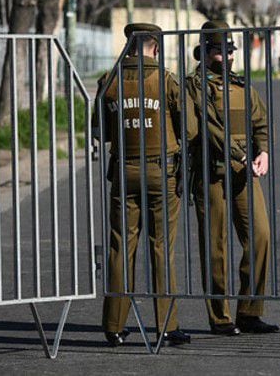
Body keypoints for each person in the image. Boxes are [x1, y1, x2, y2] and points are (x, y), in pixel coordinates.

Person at [95, 22, 225, 348]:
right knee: (161, 247)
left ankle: (114, 325)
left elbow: (101, 131)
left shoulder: (108, 81)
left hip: (123, 172)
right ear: (155, 46)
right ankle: (166, 326)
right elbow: (191, 130)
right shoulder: (165, 81)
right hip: (161, 173)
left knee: (120, 246)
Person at [186, 20, 279, 336]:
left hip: (243, 175)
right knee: (216, 246)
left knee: (261, 235)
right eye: (221, 50)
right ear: (206, 52)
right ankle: (220, 317)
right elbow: (208, 128)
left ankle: (250, 312)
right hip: (211, 173)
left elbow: (260, 122)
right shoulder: (194, 87)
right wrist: (239, 153)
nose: (227, 56)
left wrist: (263, 151)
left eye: (230, 50)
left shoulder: (242, 87)